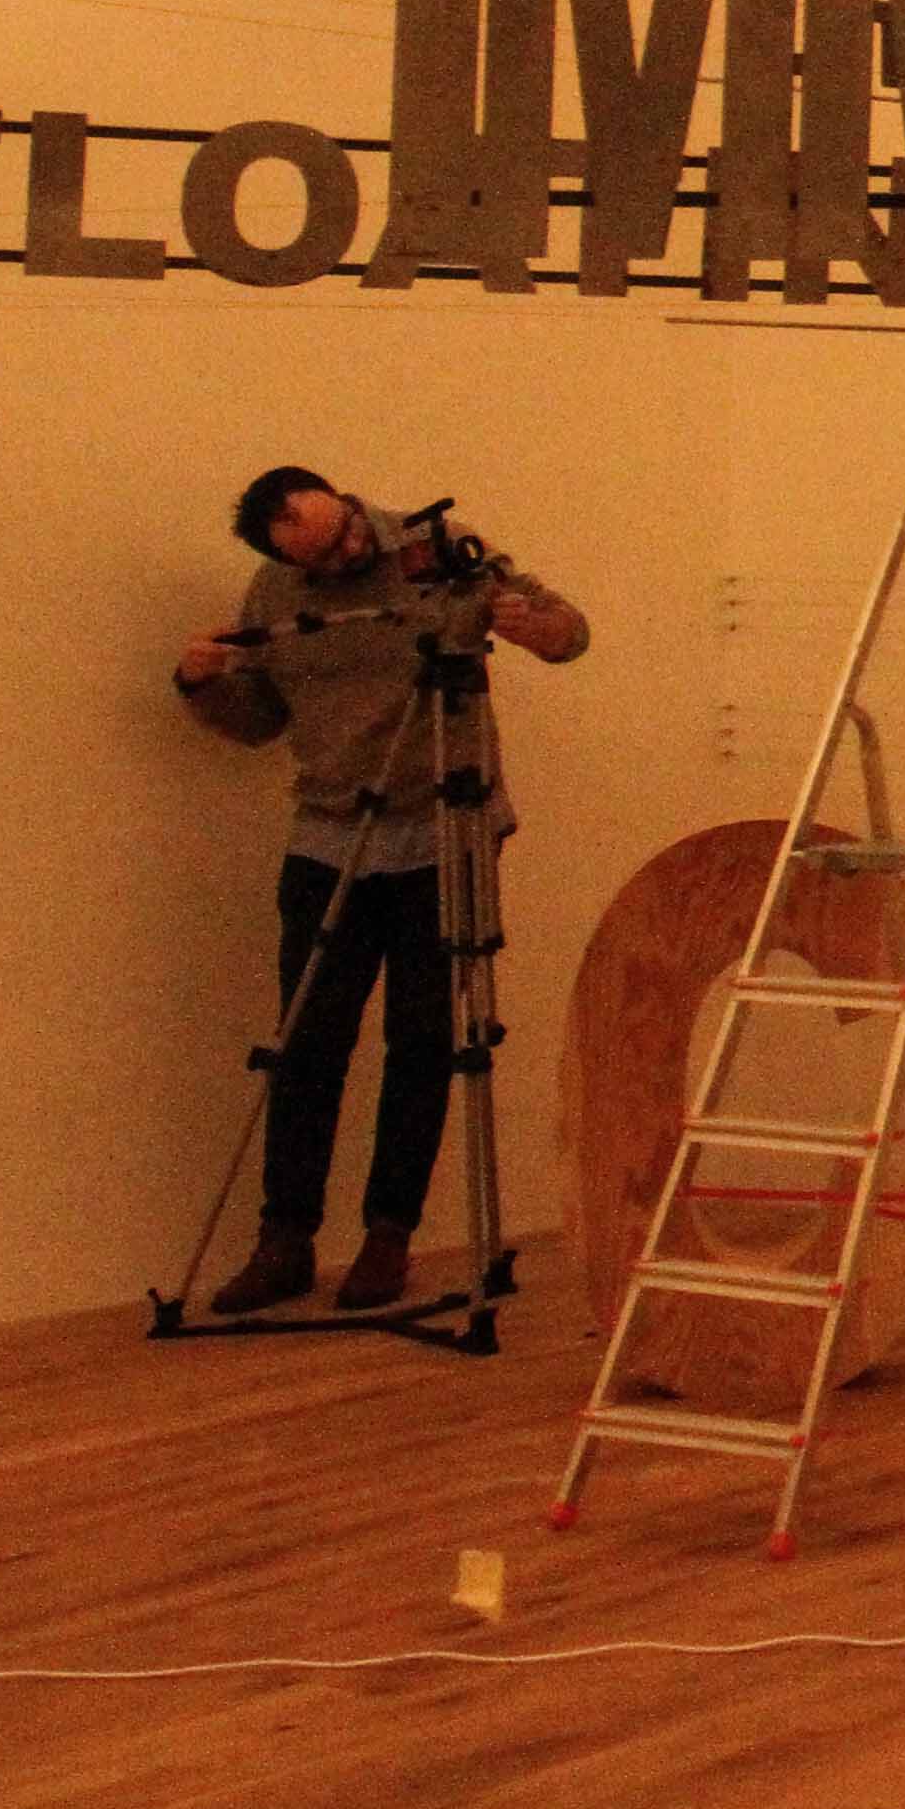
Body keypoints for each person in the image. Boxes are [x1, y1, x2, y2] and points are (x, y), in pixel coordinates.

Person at [170, 468, 587, 1318]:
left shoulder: (438, 548)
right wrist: (199, 682)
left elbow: (567, 631)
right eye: (326, 553)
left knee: (423, 1039)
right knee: (306, 1042)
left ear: (346, 501)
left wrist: (534, 626)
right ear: (291, 562)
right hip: (331, 836)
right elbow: (258, 722)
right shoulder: (272, 594)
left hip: (443, 830)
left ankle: (388, 1236)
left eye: (349, 527)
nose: (351, 549)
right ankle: (284, 1240)